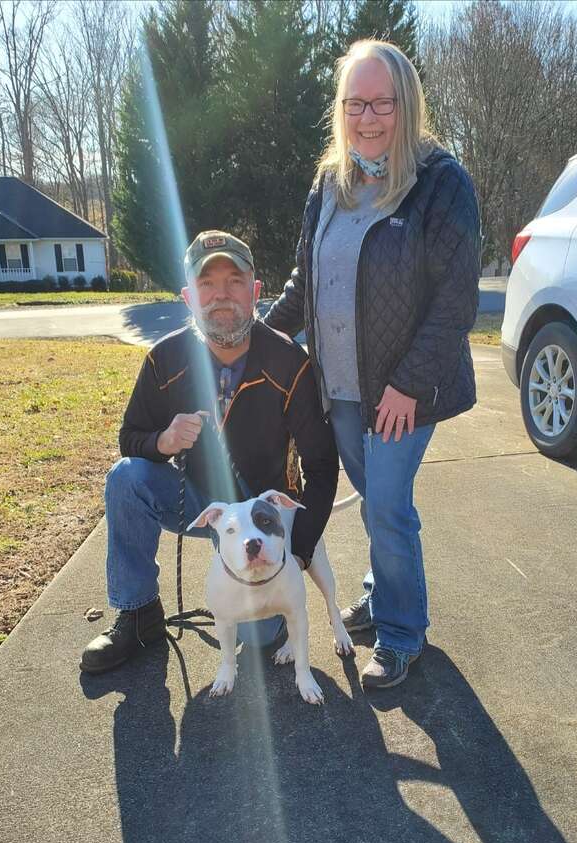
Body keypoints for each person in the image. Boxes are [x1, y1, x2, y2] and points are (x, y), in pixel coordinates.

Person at [264, 39, 480, 690]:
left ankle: (402, 632)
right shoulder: (330, 181)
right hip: (342, 387)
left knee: (385, 504)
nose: (367, 116)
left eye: (381, 101)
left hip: (405, 389)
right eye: (354, 102)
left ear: (406, 103)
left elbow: (456, 298)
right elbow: (305, 282)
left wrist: (410, 383)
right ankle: (382, 593)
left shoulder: (442, 182)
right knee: (375, 504)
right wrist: (255, 339)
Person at [81, 230, 339, 674]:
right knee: (125, 479)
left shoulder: (288, 361)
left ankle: (269, 609)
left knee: (257, 641)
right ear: (188, 296)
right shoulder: (164, 359)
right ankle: (138, 611)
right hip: (201, 502)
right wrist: (162, 441)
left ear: (256, 291)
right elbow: (130, 438)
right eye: (207, 284)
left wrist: (294, 554)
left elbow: (320, 465)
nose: (222, 296)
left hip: (262, 514)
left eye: (235, 281)